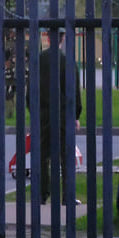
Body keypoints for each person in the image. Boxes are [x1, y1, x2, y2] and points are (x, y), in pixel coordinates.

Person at [34, 30, 82, 204]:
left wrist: (35, 111)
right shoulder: (67, 61)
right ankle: (67, 196)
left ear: (47, 38)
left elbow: (31, 89)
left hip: (43, 114)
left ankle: (41, 194)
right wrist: (76, 114)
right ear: (62, 39)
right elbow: (74, 90)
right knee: (66, 156)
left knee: (42, 155)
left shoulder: (39, 60)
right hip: (63, 115)